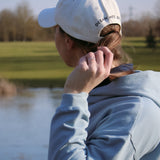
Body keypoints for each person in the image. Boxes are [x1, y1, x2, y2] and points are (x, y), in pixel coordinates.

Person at [38, 0, 160, 159]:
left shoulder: (136, 111)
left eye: (56, 29)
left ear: (68, 41)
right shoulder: (97, 92)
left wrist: (74, 94)